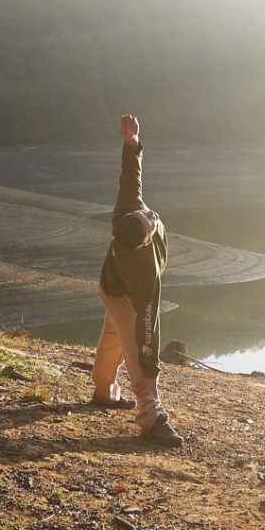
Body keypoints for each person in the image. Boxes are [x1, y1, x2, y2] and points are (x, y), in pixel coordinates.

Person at [91, 114, 184, 447]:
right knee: (135, 352)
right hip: (125, 297)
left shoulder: (127, 211)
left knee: (112, 338)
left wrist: (131, 143)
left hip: (109, 285)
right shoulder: (143, 273)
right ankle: (151, 417)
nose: (151, 215)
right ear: (144, 242)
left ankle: (104, 394)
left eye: (145, 215)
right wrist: (150, 364)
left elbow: (131, 177)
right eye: (149, 221)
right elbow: (148, 325)